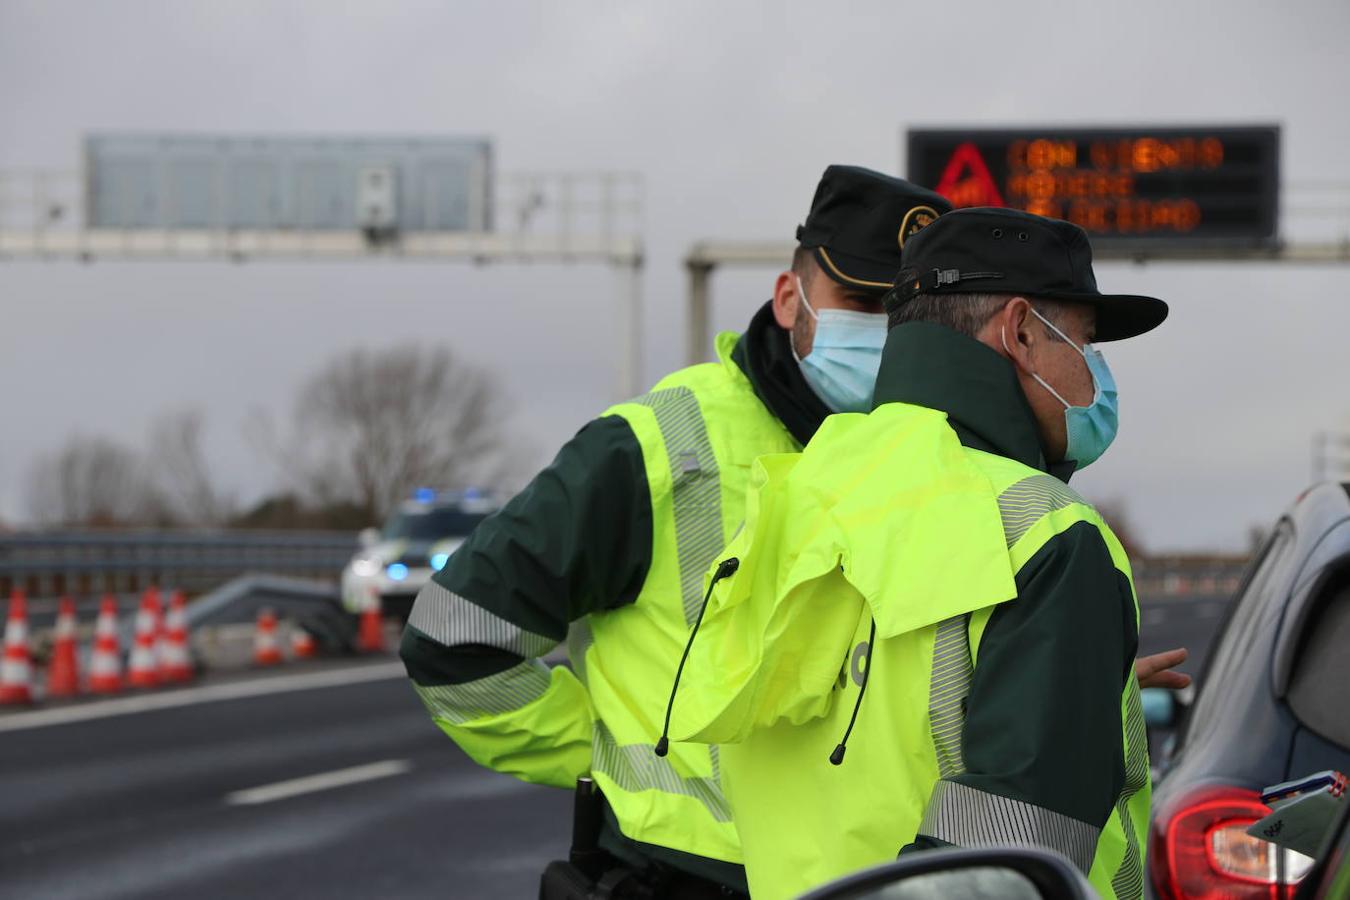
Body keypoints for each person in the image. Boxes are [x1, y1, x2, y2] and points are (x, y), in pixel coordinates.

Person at [398, 166, 953, 897]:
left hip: (891, 878)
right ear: (790, 300)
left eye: (905, 313)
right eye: (860, 301)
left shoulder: (948, 459)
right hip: (689, 878)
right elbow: (452, 639)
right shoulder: (659, 446)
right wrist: (606, 755)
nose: (884, 332)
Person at [665, 207, 1169, 900]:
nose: (1094, 373)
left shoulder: (799, 492)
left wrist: (1061, 679)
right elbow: (1005, 862)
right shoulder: (1049, 533)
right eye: (1083, 342)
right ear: (1021, 332)